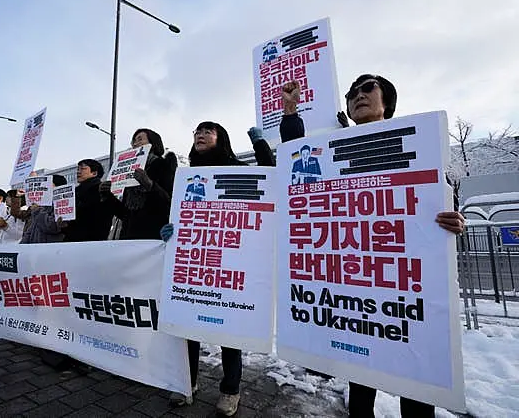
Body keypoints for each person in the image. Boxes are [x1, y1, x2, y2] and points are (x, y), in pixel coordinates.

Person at [280, 75, 464, 418]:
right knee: (360, 377)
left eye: (368, 89)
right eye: (353, 92)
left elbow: (440, 200)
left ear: (387, 104)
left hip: (403, 292)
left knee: (415, 381)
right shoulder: (333, 152)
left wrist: (457, 221)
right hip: (357, 289)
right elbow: (295, 156)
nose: (358, 95)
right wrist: (291, 110)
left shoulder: (418, 146)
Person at [165, 121, 246, 417]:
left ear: (220, 138)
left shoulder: (236, 167)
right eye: (196, 132)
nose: (199, 135)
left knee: (228, 328)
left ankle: (230, 389)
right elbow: (178, 209)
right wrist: (171, 227)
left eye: (207, 131)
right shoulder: (185, 175)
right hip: (194, 256)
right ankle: (187, 382)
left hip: (229, 255)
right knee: (188, 324)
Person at [100, 129, 177, 240]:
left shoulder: (164, 165)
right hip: (128, 237)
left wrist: (150, 185)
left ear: (153, 143)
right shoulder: (131, 172)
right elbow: (125, 214)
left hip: (153, 238)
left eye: (140, 139)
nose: (135, 144)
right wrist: (107, 196)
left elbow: (169, 204)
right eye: (133, 141)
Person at [60, 159, 113, 242]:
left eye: (83, 169)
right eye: (78, 169)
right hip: (73, 240)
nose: (78, 172)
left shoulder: (101, 190)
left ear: (94, 173)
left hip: (90, 242)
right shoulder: (74, 192)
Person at [20, 174, 68, 244]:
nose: (44, 187)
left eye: (48, 184)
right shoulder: (42, 205)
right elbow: (31, 230)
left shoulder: (62, 204)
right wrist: (22, 246)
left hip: (50, 249)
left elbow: (53, 227)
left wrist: (37, 211)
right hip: (35, 248)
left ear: (57, 187)